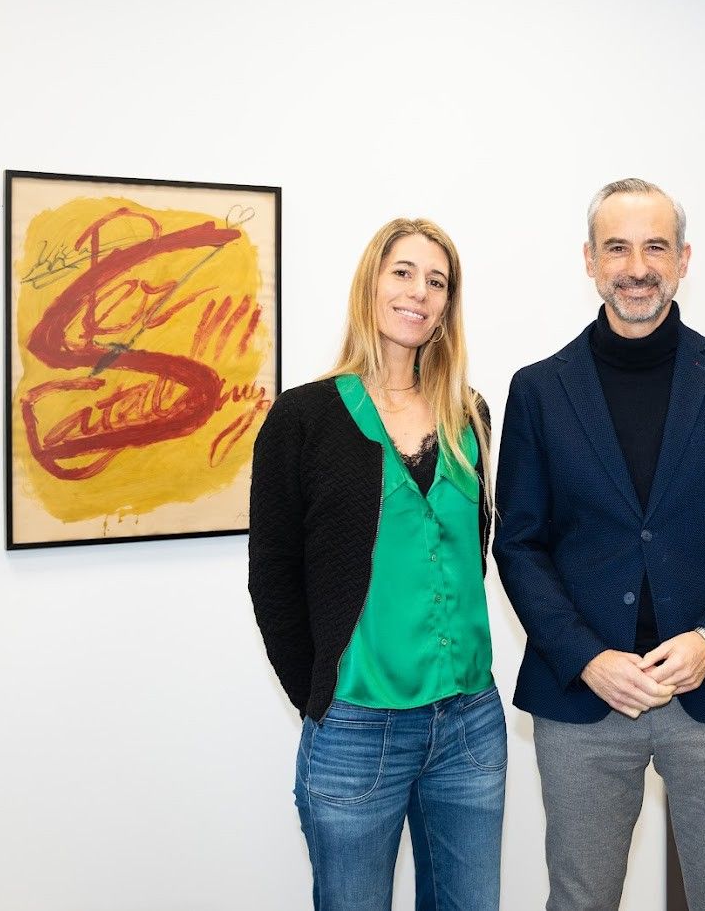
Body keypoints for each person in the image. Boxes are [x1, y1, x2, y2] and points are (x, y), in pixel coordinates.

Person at [494, 178, 705, 911]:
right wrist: (586, 658)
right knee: (580, 899)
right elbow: (519, 545)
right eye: (617, 247)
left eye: (655, 246)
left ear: (684, 258)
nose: (637, 266)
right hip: (584, 700)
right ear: (589, 260)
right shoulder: (538, 389)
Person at [248, 219, 504, 911]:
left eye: (437, 280)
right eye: (403, 272)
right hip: (358, 725)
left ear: (448, 305)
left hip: (470, 721)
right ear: (371, 282)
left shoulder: (469, 414)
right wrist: (319, 693)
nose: (418, 292)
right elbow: (272, 573)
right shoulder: (303, 418)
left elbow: (464, 555)